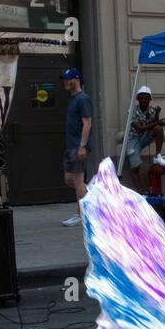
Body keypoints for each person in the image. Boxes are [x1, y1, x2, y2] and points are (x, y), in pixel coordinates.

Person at [60, 67, 92, 227]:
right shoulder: (73, 98)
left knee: (78, 182)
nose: (66, 82)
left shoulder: (82, 98)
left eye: (69, 79)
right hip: (70, 145)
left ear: (77, 79)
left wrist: (82, 146)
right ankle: (91, 195)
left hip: (77, 146)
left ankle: (80, 216)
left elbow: (87, 123)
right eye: (65, 79)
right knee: (69, 180)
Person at [124, 86, 165, 189]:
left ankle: (158, 156)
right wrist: (158, 121)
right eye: (141, 98)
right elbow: (139, 129)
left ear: (149, 100)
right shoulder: (132, 111)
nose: (143, 100)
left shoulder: (151, 110)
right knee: (135, 169)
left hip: (144, 137)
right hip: (133, 139)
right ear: (138, 99)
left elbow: (155, 124)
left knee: (159, 128)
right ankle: (140, 193)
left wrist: (157, 114)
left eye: (146, 98)